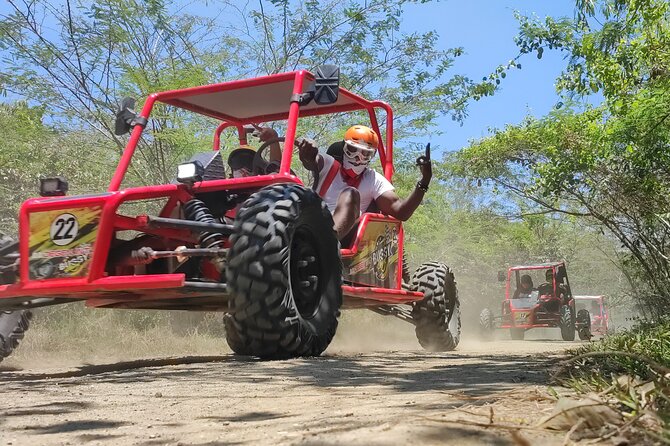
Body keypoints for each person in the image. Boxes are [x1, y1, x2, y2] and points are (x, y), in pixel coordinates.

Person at [296, 125, 432, 240]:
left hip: (344, 237)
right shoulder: (328, 164)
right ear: (344, 148)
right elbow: (312, 161)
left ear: (371, 157)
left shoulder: (373, 179)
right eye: (352, 150)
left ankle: (327, 241)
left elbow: (401, 212)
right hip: (313, 225)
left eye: (365, 154)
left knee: (350, 193)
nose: (357, 158)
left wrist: (424, 181)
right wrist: (307, 152)